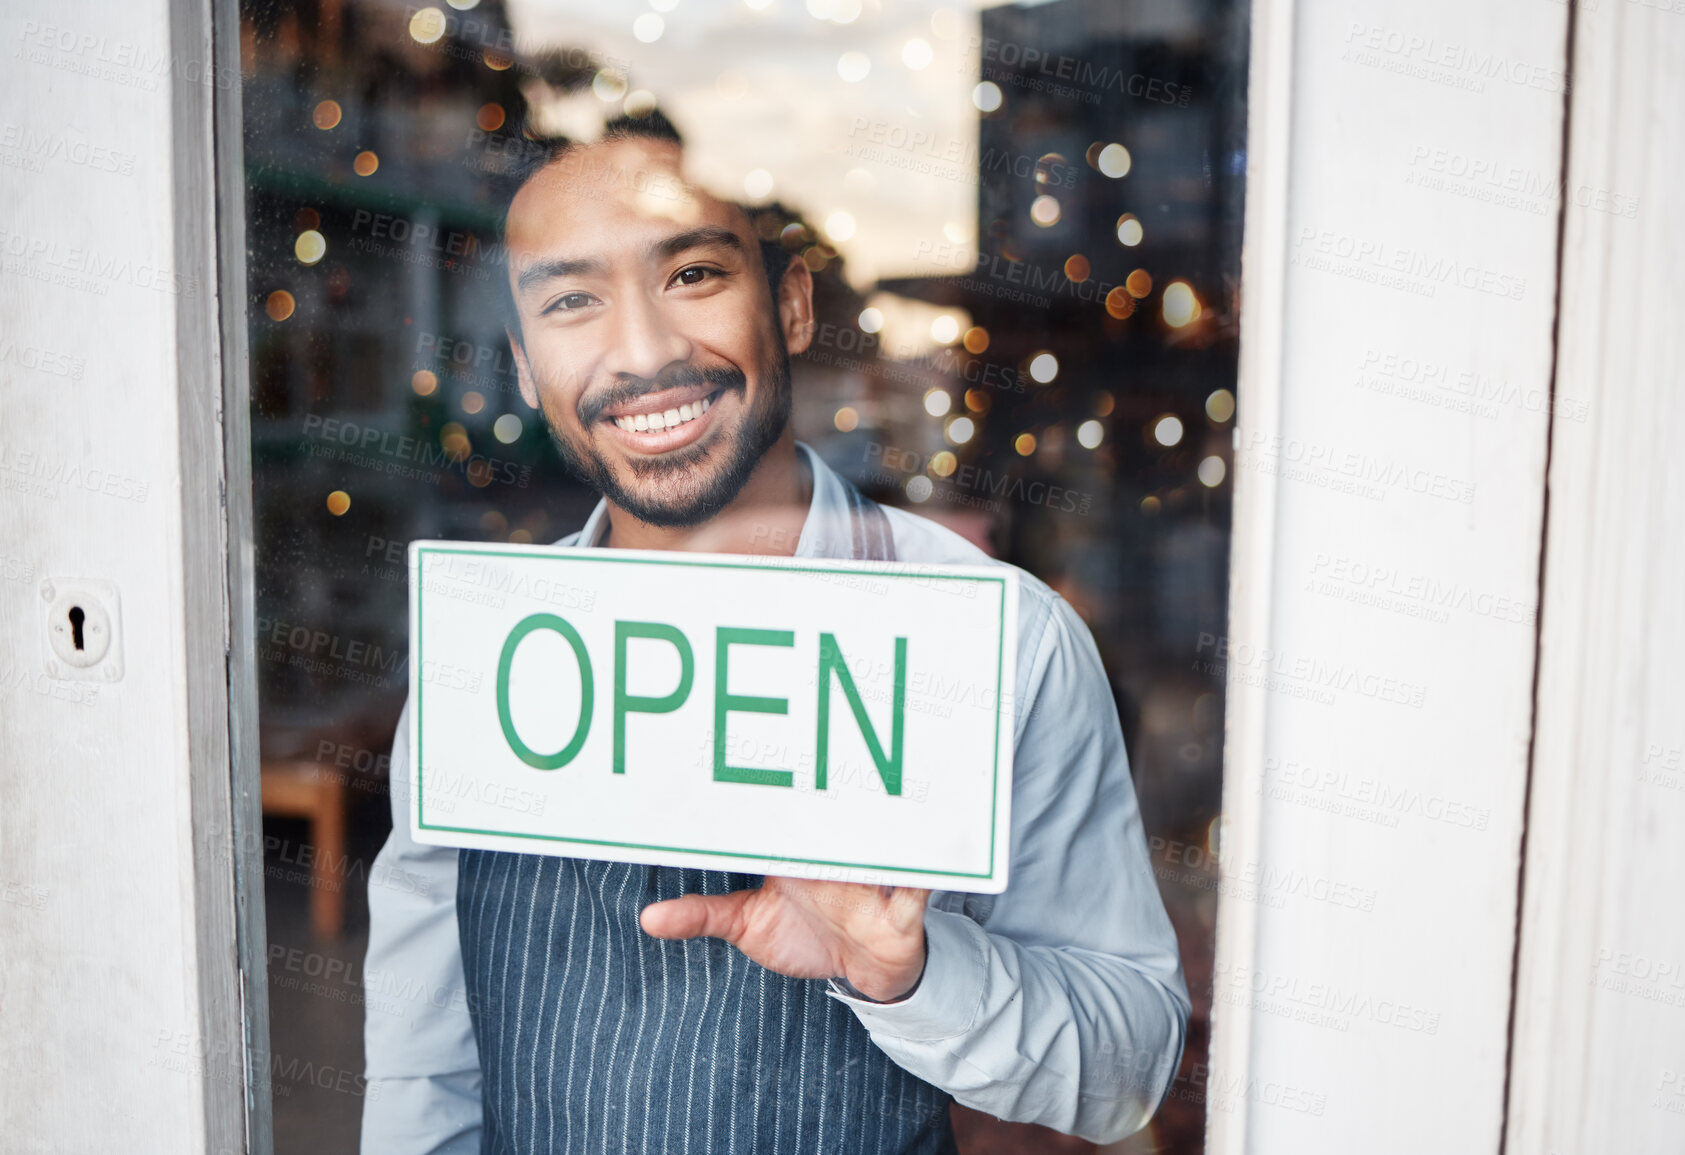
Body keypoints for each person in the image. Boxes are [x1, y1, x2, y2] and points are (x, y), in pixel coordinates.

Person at [361, 116, 1188, 1155]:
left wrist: (918, 974)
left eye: (694, 276)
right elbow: (421, 1055)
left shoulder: (997, 642)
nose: (646, 352)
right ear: (525, 366)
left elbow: (1129, 1071)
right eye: (573, 300)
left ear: (790, 306)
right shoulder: (488, 656)